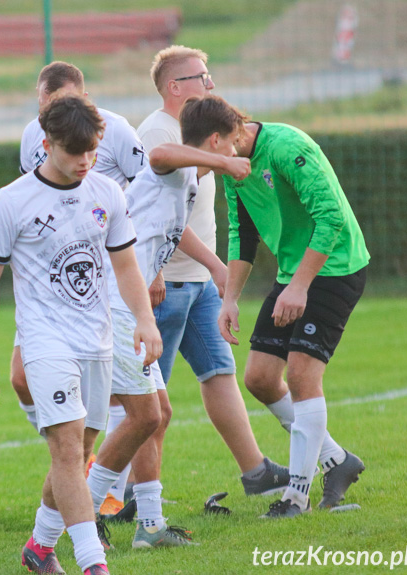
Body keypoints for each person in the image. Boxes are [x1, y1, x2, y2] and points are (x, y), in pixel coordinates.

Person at [0, 94, 161, 575]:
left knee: (77, 455)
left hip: (98, 341)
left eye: (92, 151)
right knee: (66, 448)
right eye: (74, 152)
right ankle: (93, 563)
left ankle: (39, 546)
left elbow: (125, 265)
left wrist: (144, 318)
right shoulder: (10, 202)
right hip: (44, 342)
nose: (85, 161)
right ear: (46, 141)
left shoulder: (107, 194)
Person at [88, 95, 255, 548]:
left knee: (153, 415)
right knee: (144, 415)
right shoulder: (174, 167)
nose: (239, 152)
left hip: (125, 307)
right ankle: (85, 513)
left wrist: (218, 268)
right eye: (234, 143)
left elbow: (174, 230)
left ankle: (147, 525)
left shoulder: (190, 182)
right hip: (116, 307)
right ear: (215, 140)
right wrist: (223, 166)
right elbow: (160, 154)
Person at [132, 46, 289, 506]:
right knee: (145, 407)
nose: (211, 83)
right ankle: (120, 498)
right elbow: (148, 213)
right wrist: (157, 270)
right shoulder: (158, 132)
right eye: (202, 76)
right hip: (166, 284)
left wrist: (216, 268)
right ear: (174, 87)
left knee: (219, 373)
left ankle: (256, 470)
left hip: (197, 280)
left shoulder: (202, 128)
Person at [218, 114, 369, 518]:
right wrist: (230, 298)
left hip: (335, 267)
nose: (207, 163)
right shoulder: (228, 164)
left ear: (233, 133)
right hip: (293, 272)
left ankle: (296, 498)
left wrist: (300, 286)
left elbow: (332, 217)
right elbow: (241, 232)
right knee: (260, 378)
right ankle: (337, 461)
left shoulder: (287, 148)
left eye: (210, 151)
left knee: (302, 376)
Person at [17, 61, 148, 516]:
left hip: (105, 286)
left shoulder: (116, 134)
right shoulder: (29, 146)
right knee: (25, 383)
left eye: (60, 104)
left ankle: (118, 500)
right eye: (44, 105)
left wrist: (150, 263)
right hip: (46, 294)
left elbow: (150, 187)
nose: (51, 114)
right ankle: (75, 469)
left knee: (143, 412)